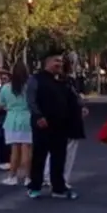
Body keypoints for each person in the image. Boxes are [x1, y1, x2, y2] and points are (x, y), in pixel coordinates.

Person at [25, 50, 80, 200]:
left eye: (61, 61)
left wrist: (79, 109)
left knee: (59, 157)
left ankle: (58, 188)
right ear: (47, 62)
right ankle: (35, 187)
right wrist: (38, 116)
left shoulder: (63, 81)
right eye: (56, 61)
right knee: (39, 156)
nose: (59, 64)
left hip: (60, 124)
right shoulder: (36, 79)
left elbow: (70, 99)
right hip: (42, 124)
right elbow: (31, 100)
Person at [43, 55, 87, 188]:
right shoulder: (69, 82)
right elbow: (75, 99)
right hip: (70, 121)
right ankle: (61, 178)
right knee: (68, 152)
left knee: (54, 149)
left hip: (58, 120)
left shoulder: (51, 81)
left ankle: (48, 175)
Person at [0, 61, 32, 186]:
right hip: (27, 119)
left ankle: (12, 176)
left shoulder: (6, 88)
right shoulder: (30, 87)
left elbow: (1, 104)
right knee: (27, 150)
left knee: (14, 150)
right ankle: (28, 177)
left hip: (12, 120)